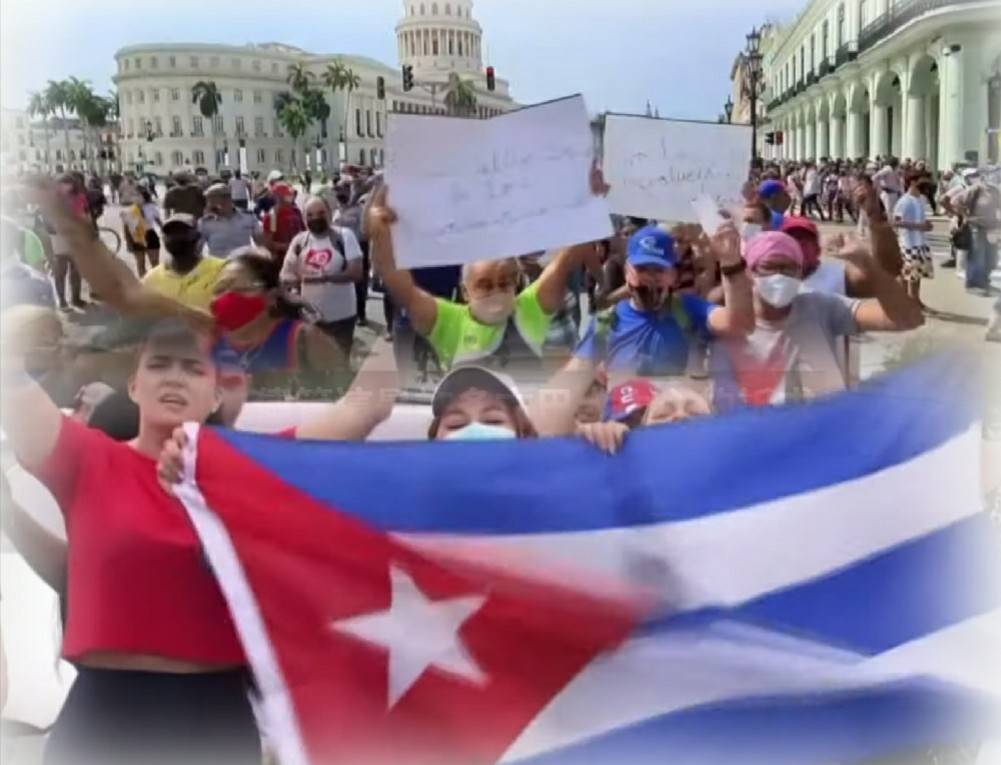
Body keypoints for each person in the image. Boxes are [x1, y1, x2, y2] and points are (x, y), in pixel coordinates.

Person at [368, 171, 608, 376]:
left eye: (505, 283)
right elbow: (399, 285)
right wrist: (380, 227)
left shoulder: (529, 309)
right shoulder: (449, 321)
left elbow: (566, 260)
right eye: (484, 285)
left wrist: (590, 201)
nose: (496, 291)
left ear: (517, 284)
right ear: (465, 290)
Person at [710, 231, 923, 412]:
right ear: (750, 272)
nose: (780, 276)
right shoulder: (729, 324)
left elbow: (907, 319)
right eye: (770, 267)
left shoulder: (821, 307)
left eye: (789, 268)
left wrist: (868, 264)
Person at [574, 222, 755, 380]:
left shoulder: (690, 310)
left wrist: (731, 264)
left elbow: (740, 324)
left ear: (672, 275)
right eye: (642, 269)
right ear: (627, 273)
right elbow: (572, 379)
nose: (651, 278)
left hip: (676, 415)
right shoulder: (606, 323)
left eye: (659, 270)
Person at [210, 248, 346, 397]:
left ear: (271, 296)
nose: (227, 297)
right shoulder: (204, 343)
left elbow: (345, 401)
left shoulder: (306, 341)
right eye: (220, 289)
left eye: (239, 289)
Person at [281, 197, 364, 357]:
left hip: (342, 316)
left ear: (330, 213)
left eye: (320, 213)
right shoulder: (299, 241)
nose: (315, 218)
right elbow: (286, 275)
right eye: (310, 215)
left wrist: (326, 278)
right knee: (313, 365)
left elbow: (356, 272)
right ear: (304, 218)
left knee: (339, 363)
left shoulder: (344, 236)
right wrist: (297, 280)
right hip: (310, 317)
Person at [142, 213, 226, 312]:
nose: (175, 237)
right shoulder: (151, 279)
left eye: (182, 232)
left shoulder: (222, 270)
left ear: (197, 236)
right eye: (169, 233)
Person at [331, 181, 370, 328]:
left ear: (350, 191)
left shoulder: (359, 210)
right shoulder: (336, 212)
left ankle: (361, 314)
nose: (339, 195)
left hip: (359, 248)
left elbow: (365, 231)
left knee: (359, 283)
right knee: (345, 283)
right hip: (341, 250)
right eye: (337, 192)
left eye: (342, 191)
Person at [893, 173, 935, 307]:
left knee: (918, 274)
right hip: (909, 243)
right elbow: (896, 222)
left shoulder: (922, 199)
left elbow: (921, 218)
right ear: (912, 182)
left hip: (921, 242)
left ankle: (915, 299)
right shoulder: (904, 201)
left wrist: (926, 225)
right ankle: (906, 300)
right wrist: (919, 226)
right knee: (909, 274)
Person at [48, 173, 88, 311]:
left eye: (68, 184)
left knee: (76, 269)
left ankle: (75, 298)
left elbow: (82, 215)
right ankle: (62, 300)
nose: (65, 187)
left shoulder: (79, 197)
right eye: (62, 184)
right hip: (58, 236)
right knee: (60, 269)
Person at [198, 183, 264, 258]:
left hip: (242, 264)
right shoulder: (205, 223)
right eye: (208, 202)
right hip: (219, 266)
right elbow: (197, 249)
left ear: (227, 199)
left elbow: (260, 242)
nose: (208, 205)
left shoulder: (248, 217)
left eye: (211, 201)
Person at [261, 183, 305, 267]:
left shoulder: (295, 211)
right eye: (287, 195)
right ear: (278, 198)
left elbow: (304, 232)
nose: (290, 197)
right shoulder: (273, 216)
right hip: (282, 261)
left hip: (299, 258)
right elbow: (269, 243)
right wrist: (288, 246)